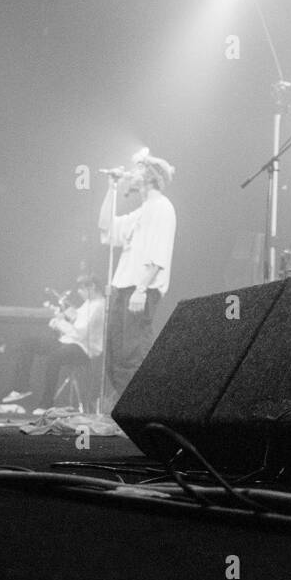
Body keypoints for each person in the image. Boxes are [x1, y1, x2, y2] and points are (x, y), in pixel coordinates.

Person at [99, 152, 177, 400]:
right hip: (124, 287)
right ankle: (127, 408)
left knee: (132, 354)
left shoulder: (162, 207)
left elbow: (159, 253)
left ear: (149, 176)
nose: (130, 174)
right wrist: (111, 189)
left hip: (141, 289)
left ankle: (139, 408)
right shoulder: (141, 212)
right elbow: (106, 228)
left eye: (136, 170)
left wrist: (141, 289)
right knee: (115, 355)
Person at [8, 275, 105, 408]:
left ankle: (46, 403)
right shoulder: (88, 303)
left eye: (81, 289)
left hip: (84, 349)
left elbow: (80, 332)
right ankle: (21, 387)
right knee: (28, 342)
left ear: (92, 286)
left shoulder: (99, 306)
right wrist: (64, 316)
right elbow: (76, 317)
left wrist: (59, 323)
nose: (79, 292)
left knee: (54, 358)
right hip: (69, 342)